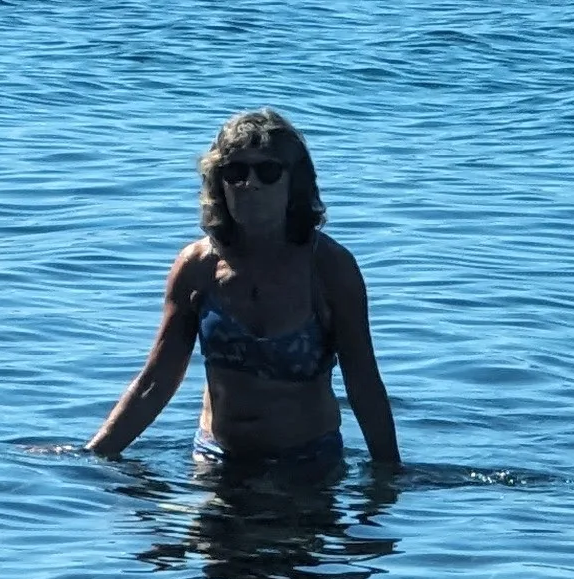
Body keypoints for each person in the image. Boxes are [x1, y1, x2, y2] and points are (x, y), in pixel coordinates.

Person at [86, 109, 399, 473]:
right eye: (235, 172)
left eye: (267, 172)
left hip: (307, 464)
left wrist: (387, 476)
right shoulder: (196, 267)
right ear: (219, 183)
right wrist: (93, 457)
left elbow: (363, 381)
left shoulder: (330, 269)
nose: (250, 184)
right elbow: (156, 381)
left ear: (293, 183)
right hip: (215, 461)